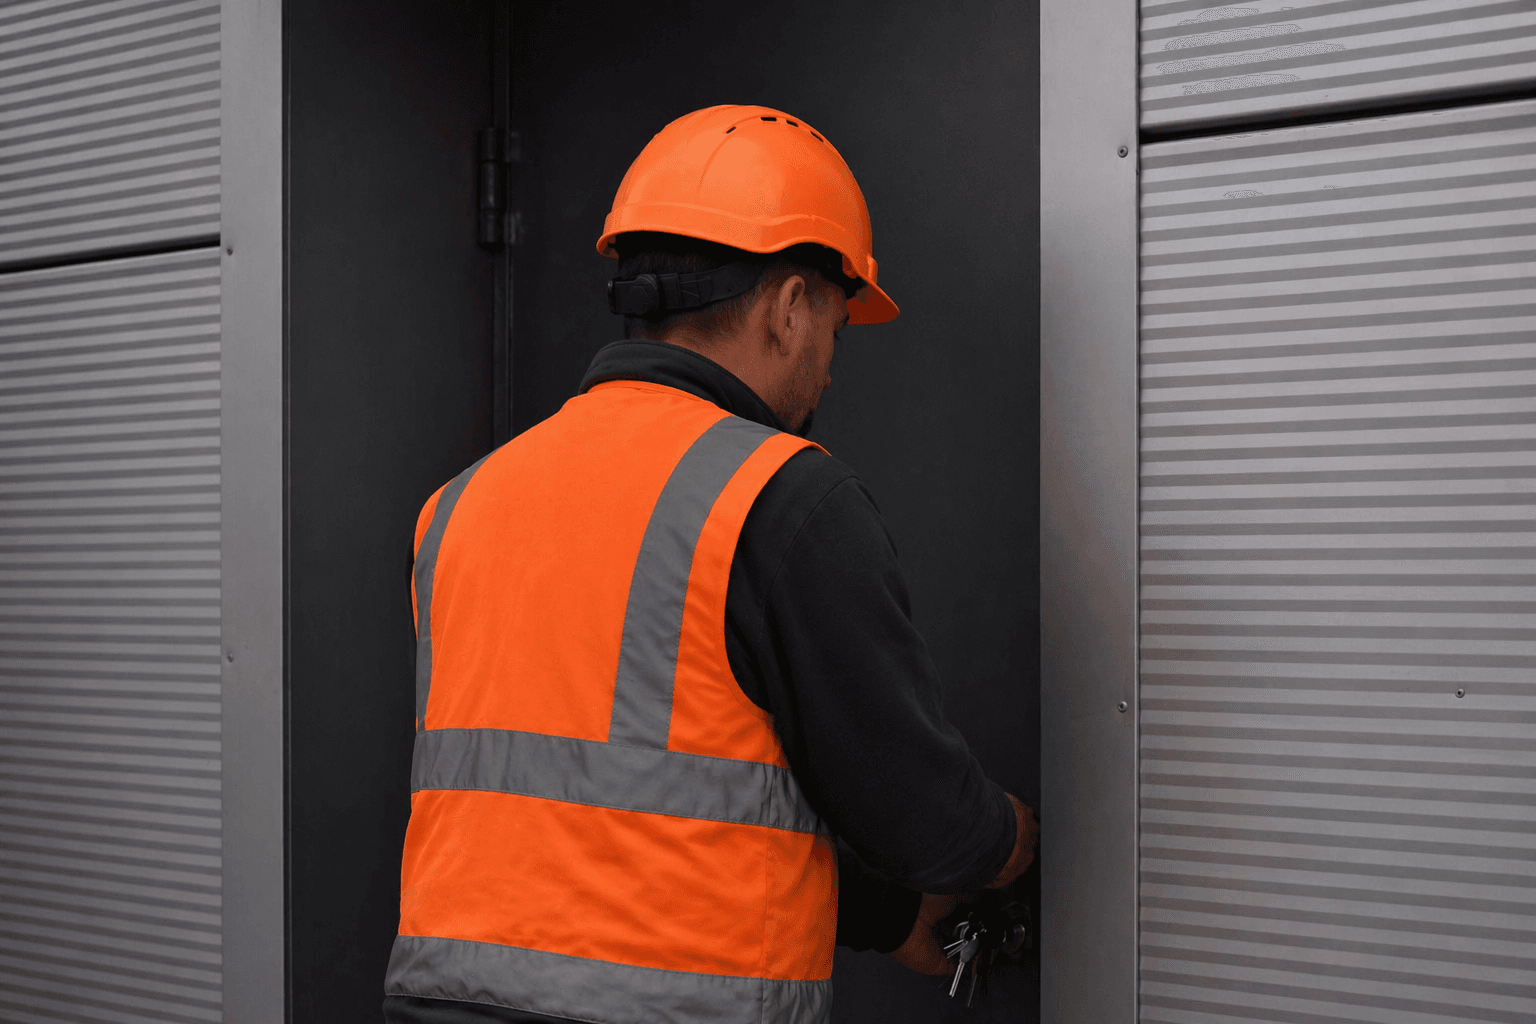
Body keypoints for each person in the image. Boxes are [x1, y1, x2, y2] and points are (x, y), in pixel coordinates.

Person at [383, 104, 1038, 1024]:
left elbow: (616, 813)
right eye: (836, 333)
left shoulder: (460, 504)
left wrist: (884, 914)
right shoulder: (783, 499)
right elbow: (920, 816)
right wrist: (1016, 845)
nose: (829, 373)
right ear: (788, 308)